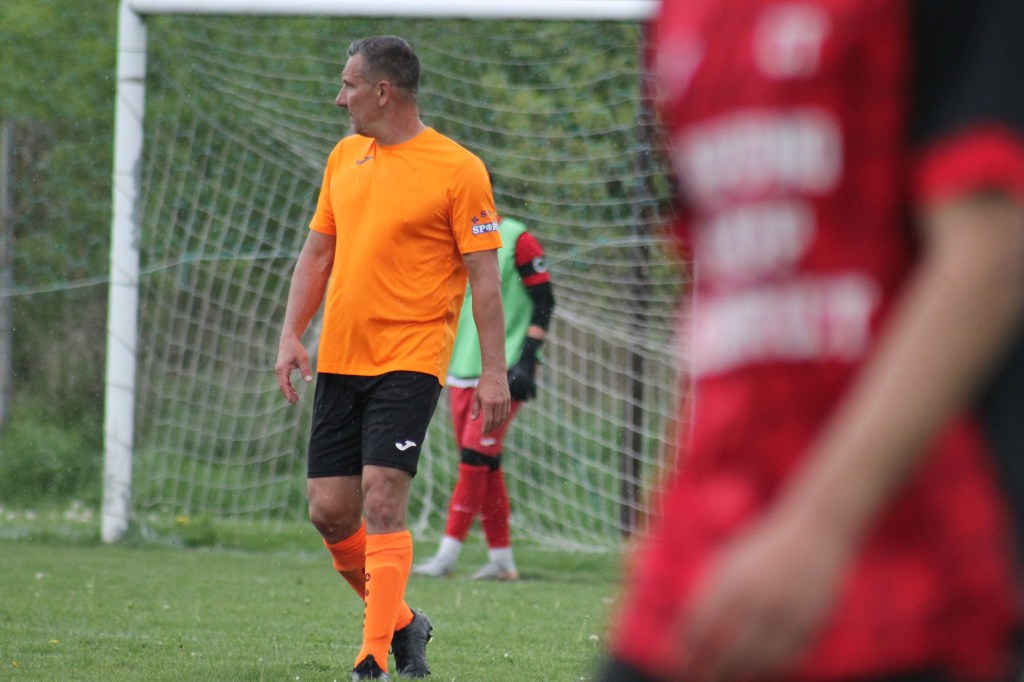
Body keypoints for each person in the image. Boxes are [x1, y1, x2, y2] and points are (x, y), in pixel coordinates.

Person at [601, 1, 1024, 681]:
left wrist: (819, 527)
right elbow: (731, 300)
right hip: (704, 555)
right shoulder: (682, 18)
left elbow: (989, 256)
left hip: (906, 569)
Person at [274, 36, 511, 681]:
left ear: (383, 92)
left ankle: (371, 659)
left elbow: (485, 279)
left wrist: (494, 372)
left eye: (348, 85)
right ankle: (404, 621)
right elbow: (318, 253)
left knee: (382, 501)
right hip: (340, 357)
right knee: (329, 511)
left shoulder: (459, 169)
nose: (339, 97)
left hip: (411, 357)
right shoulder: (343, 157)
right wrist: (291, 334)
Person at [412, 212, 555, 581]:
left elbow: (545, 298)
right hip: (458, 369)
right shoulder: (448, 240)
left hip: (501, 373)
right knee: (484, 464)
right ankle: (502, 560)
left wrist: (527, 360)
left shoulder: (517, 239)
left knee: (474, 460)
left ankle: (446, 556)